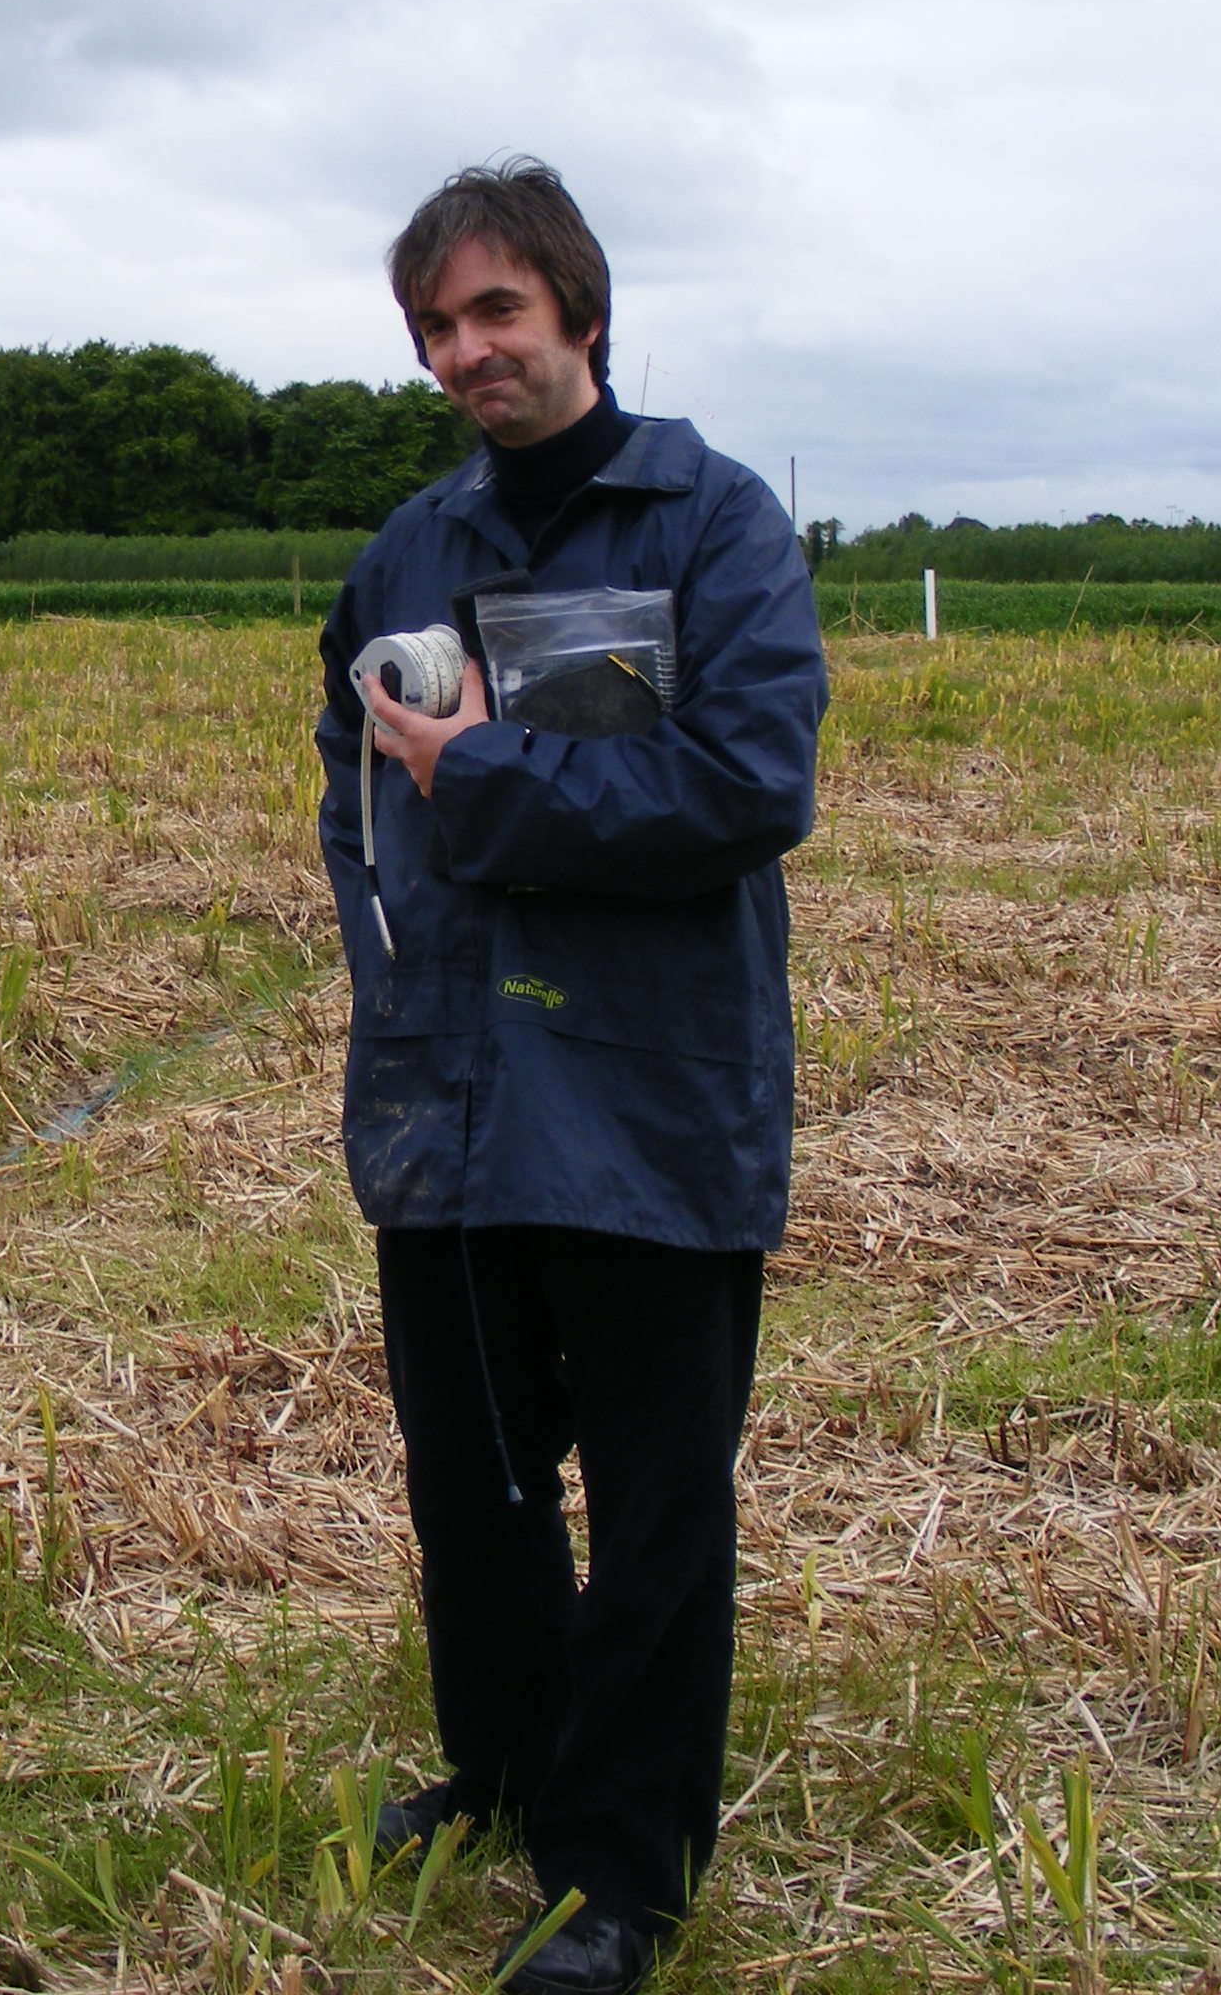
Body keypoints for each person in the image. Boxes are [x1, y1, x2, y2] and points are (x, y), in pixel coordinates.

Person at [314, 158, 825, 1993]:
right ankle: (509, 1769)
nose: (468, 352)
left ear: (581, 315)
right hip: (450, 1092)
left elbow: (748, 787)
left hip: (651, 1093)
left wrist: (487, 777)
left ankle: (619, 1877)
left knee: (659, 1506)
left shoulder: (713, 524)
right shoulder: (408, 551)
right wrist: (389, 960)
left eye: (496, 312)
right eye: (435, 327)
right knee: (476, 1483)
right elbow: (355, 791)